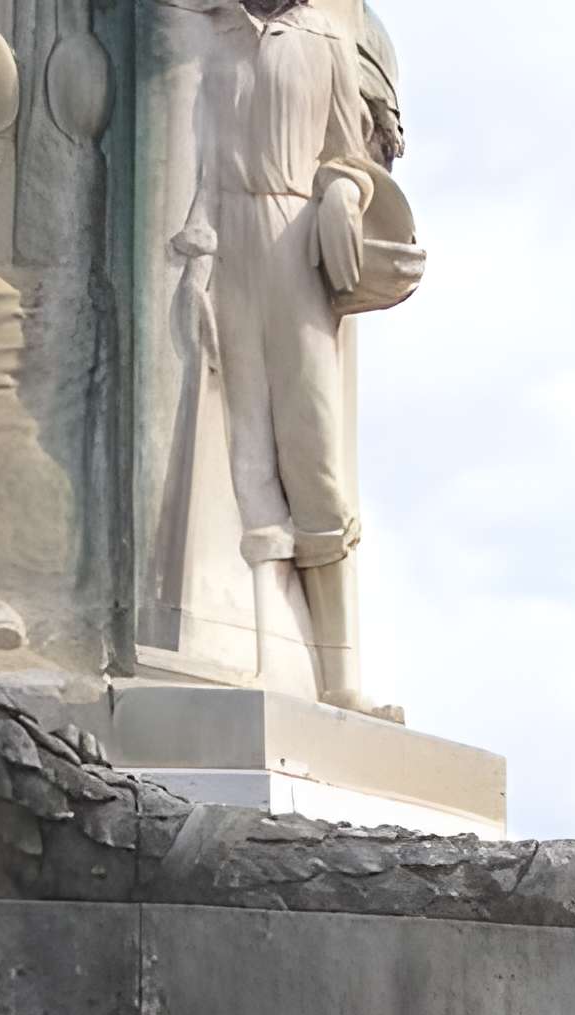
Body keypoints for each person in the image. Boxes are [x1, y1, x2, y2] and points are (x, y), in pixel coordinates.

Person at [174, 0, 401, 713]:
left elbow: (347, 153)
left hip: (291, 239)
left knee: (315, 450)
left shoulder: (326, 41)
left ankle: (338, 679)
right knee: (247, 457)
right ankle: (263, 659)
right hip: (229, 246)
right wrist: (196, 260)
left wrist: (343, 190)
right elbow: (201, 166)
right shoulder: (216, 37)